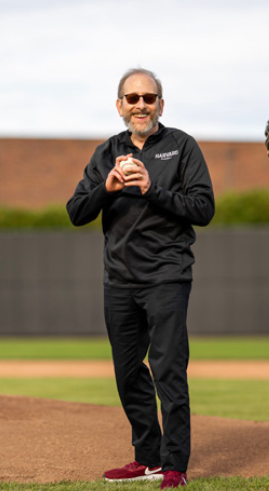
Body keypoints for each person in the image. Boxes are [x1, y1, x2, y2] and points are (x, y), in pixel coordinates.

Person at [66, 68, 214, 489]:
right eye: (132, 98)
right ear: (119, 106)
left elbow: (204, 208)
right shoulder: (106, 153)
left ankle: (174, 466)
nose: (140, 105)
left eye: (149, 98)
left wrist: (152, 188)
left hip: (167, 276)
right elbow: (76, 212)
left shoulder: (181, 146)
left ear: (160, 105)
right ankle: (147, 457)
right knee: (128, 370)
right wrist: (107, 188)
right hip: (119, 280)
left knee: (169, 369)